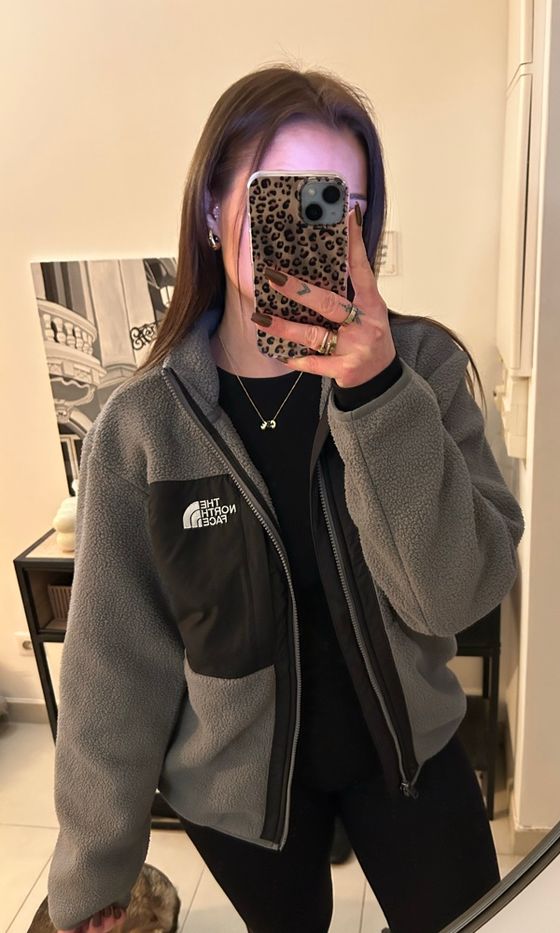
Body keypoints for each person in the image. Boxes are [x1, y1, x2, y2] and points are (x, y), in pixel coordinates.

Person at [48, 64, 525, 933]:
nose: (312, 223)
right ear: (213, 209)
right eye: (284, 194)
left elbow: (458, 596)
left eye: (340, 201)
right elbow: (111, 668)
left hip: (409, 756)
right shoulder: (144, 424)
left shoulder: (423, 370)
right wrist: (94, 872)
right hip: (239, 791)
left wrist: (377, 393)